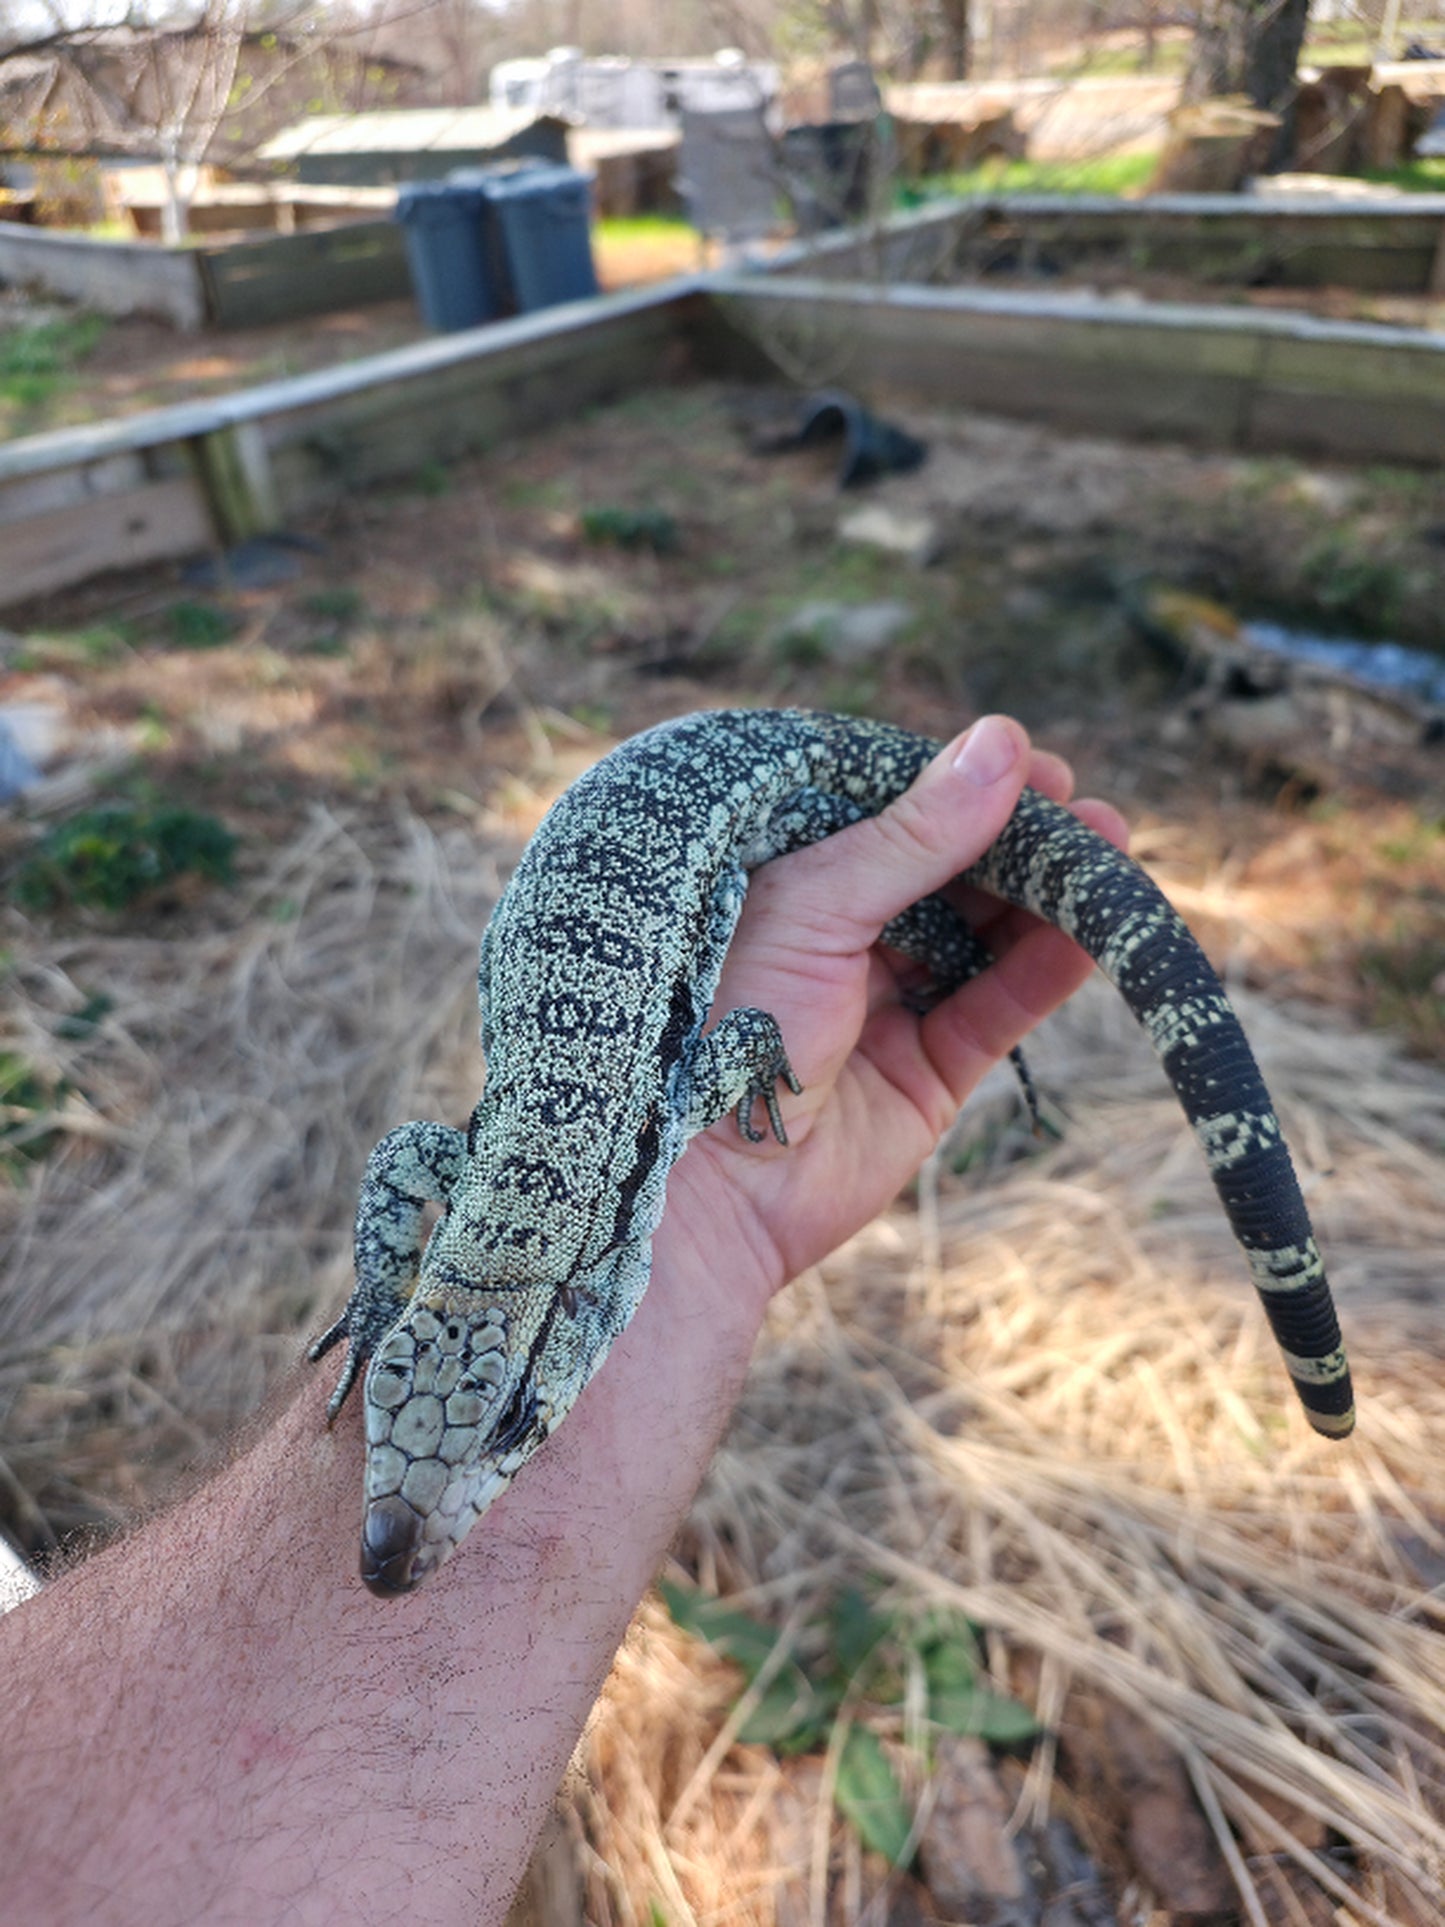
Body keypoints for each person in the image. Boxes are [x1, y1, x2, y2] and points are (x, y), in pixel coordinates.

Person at [1, 716, 1126, 1926]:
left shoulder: (639, 1135)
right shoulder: (520, 1177)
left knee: (979, 897)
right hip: (650, 815)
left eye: (502, 1431)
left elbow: (738, 1041)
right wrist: (394, 1298)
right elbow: (422, 1156)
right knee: (962, 914)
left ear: (567, 1334)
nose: (407, 1527)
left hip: (752, 785)